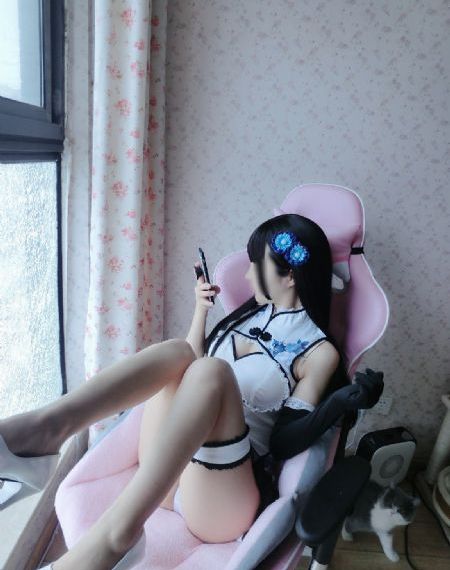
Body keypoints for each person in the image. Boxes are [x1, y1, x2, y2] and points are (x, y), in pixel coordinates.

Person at [0, 213, 383, 570]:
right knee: (179, 352)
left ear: (290, 277)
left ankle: (117, 535)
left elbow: (284, 443)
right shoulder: (250, 315)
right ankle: (42, 432)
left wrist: (338, 403)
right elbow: (189, 375)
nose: (247, 275)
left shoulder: (318, 351)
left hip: (223, 496)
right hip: (169, 472)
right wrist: (201, 312)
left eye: (256, 264)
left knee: (211, 370)